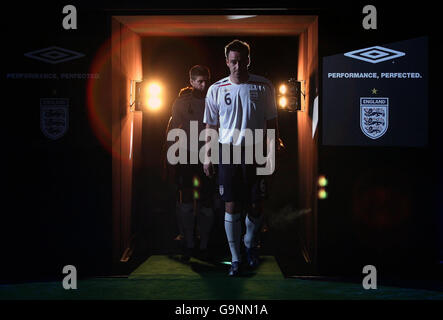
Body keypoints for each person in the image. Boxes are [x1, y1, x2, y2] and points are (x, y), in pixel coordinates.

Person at [203, 40, 278, 276]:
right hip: (228, 150)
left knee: (256, 205)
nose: (237, 66)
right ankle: (236, 259)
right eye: (233, 61)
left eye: (241, 61)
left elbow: (272, 123)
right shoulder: (216, 88)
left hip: (256, 150)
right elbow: (211, 125)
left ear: (249, 60)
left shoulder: (264, 86)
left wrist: (271, 151)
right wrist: (207, 155)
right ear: (227, 62)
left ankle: (249, 244)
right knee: (231, 204)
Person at [165, 65, 215, 262]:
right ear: (192, 82)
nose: (203, 85)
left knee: (207, 201)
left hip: (209, 155)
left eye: (206, 81)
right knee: (185, 199)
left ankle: (204, 244)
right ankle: (189, 243)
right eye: (200, 81)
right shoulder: (181, 102)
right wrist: (170, 155)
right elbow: (172, 128)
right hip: (186, 156)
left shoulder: (215, 100)